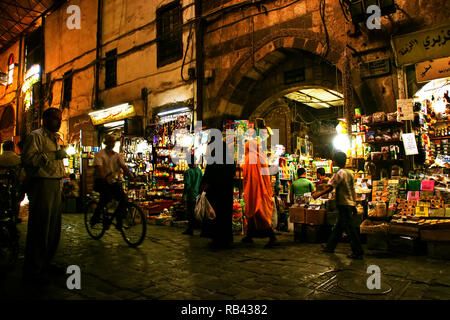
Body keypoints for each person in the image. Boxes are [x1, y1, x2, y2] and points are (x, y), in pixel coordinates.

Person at [21, 108, 67, 285]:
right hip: (42, 184)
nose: (58, 121)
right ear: (45, 119)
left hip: (55, 184)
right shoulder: (36, 136)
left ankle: (46, 262)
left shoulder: (55, 139)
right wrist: (53, 155)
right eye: (55, 118)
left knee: (53, 227)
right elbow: (28, 159)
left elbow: (56, 164)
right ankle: (34, 268)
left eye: (60, 119)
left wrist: (61, 186)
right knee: (40, 225)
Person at [312, 151, 364, 259]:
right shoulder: (350, 173)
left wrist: (318, 194)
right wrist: (354, 204)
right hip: (349, 203)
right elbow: (352, 190)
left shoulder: (340, 173)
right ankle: (330, 246)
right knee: (339, 227)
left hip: (343, 203)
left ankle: (358, 251)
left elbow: (331, 187)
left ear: (335, 162)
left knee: (349, 229)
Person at [241, 139, 278, 248]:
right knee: (253, 215)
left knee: (259, 214)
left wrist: (253, 193)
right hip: (263, 190)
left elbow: (253, 177)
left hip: (255, 190)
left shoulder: (251, 158)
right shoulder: (260, 157)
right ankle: (249, 235)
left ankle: (272, 237)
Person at [91, 134, 135, 226]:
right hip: (101, 181)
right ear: (106, 143)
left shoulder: (117, 156)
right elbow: (100, 168)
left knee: (123, 198)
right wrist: (105, 178)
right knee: (105, 198)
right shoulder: (99, 154)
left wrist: (132, 178)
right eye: (110, 141)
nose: (112, 143)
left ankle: (119, 219)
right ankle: (96, 217)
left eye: (113, 141)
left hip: (113, 181)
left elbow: (124, 167)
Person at [200, 138, 236, 249]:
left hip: (216, 193)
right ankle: (226, 238)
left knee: (216, 216)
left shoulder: (213, 159)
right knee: (225, 216)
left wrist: (204, 186)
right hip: (226, 192)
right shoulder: (229, 158)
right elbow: (232, 172)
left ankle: (217, 239)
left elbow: (208, 174)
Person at [182, 155, 203, 235]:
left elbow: (187, 185)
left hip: (190, 195)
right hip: (198, 194)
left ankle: (190, 229)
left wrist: (183, 194)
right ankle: (199, 228)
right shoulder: (199, 171)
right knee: (197, 212)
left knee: (190, 213)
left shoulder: (187, 172)